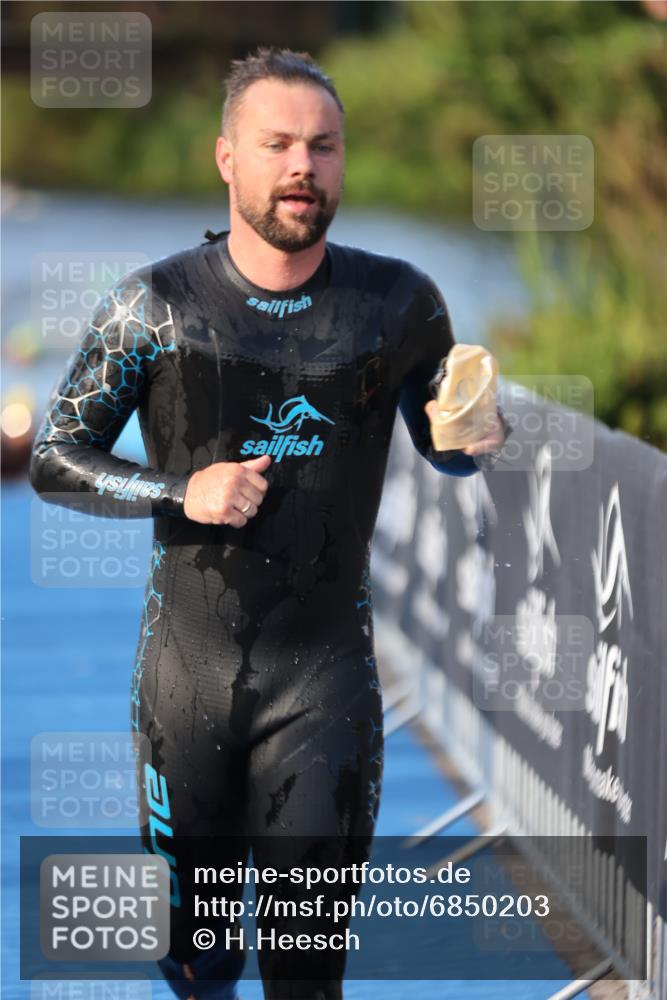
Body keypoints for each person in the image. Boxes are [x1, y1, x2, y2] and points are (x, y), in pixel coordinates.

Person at [30, 47, 505, 1000]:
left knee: (307, 977)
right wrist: (182, 491)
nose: (302, 167)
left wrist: (473, 435)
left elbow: (446, 446)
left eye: (322, 147)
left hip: (325, 687)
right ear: (225, 158)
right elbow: (54, 459)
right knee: (198, 964)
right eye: (277, 144)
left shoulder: (397, 304)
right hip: (186, 691)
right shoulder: (153, 307)